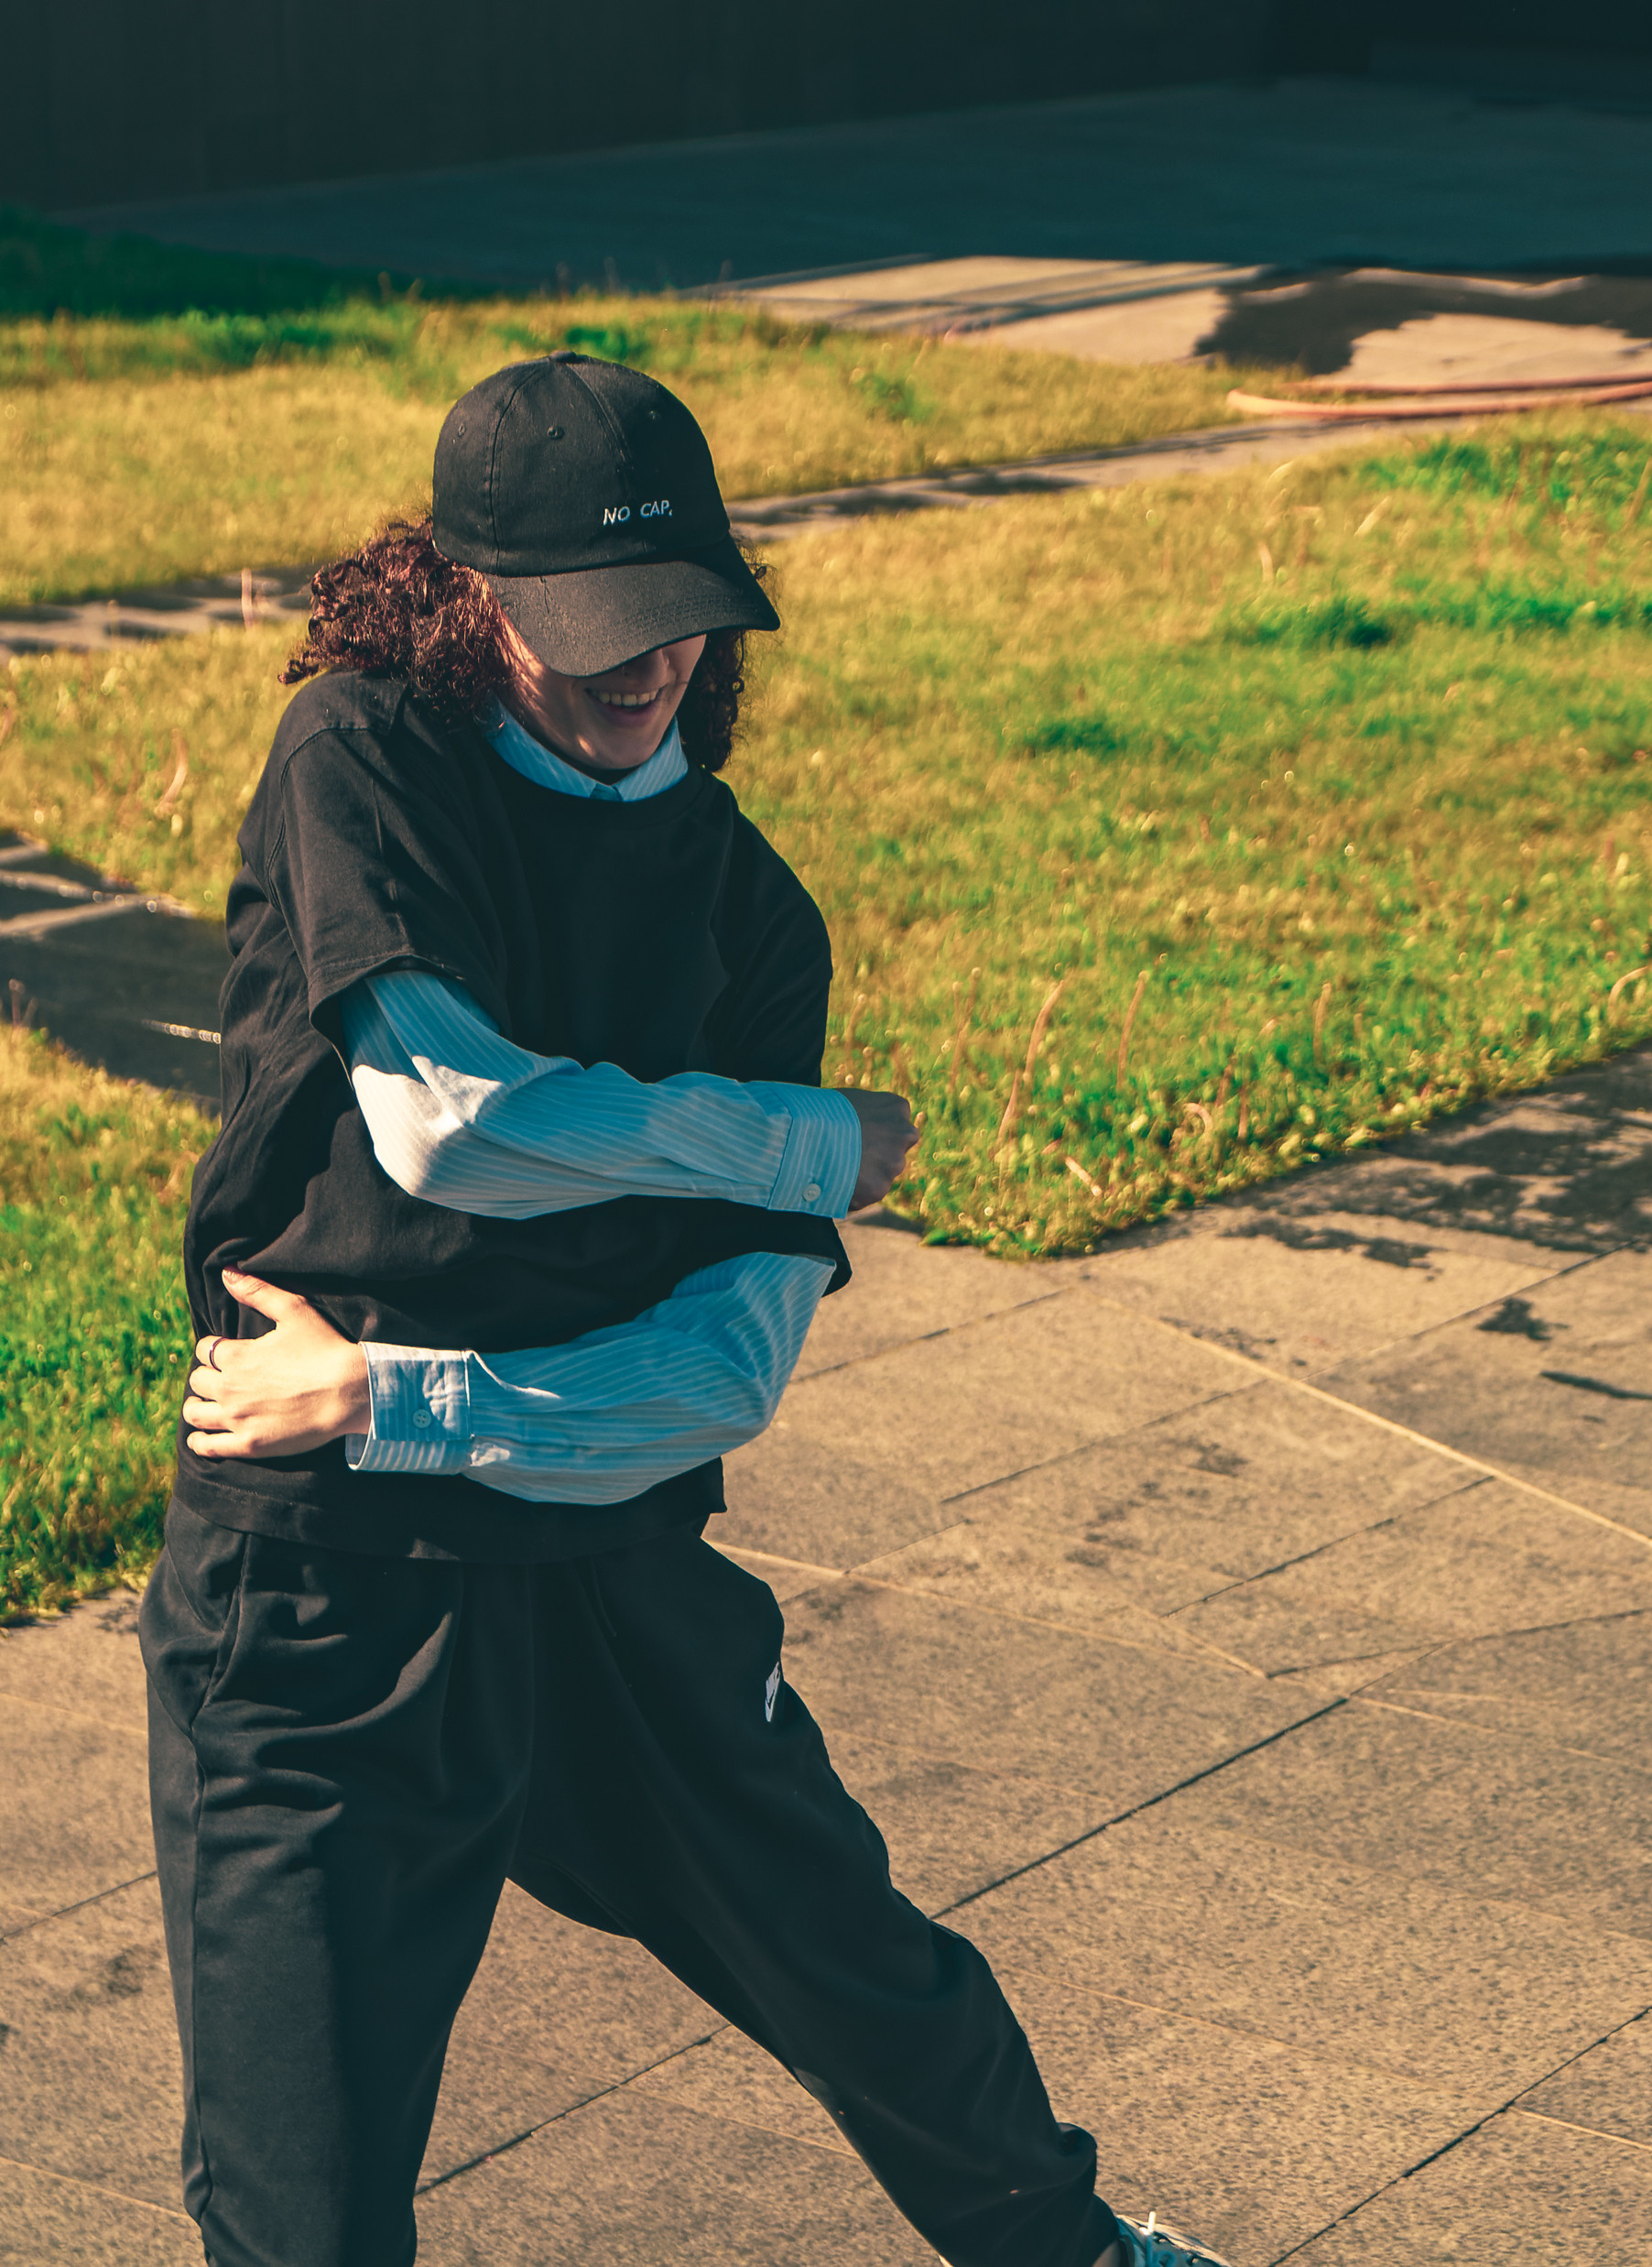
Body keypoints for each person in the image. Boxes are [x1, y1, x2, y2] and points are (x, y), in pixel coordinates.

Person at [147, 350, 1233, 2267]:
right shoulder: (364, 756)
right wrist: (797, 1140)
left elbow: (719, 1369)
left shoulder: (752, 913)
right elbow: (455, 1124)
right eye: (577, 624)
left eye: (670, 618)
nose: (634, 662)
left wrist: (400, 1397)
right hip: (322, 1585)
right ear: (459, 594)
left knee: (859, 1962)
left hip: (588, 1554)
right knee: (297, 2197)